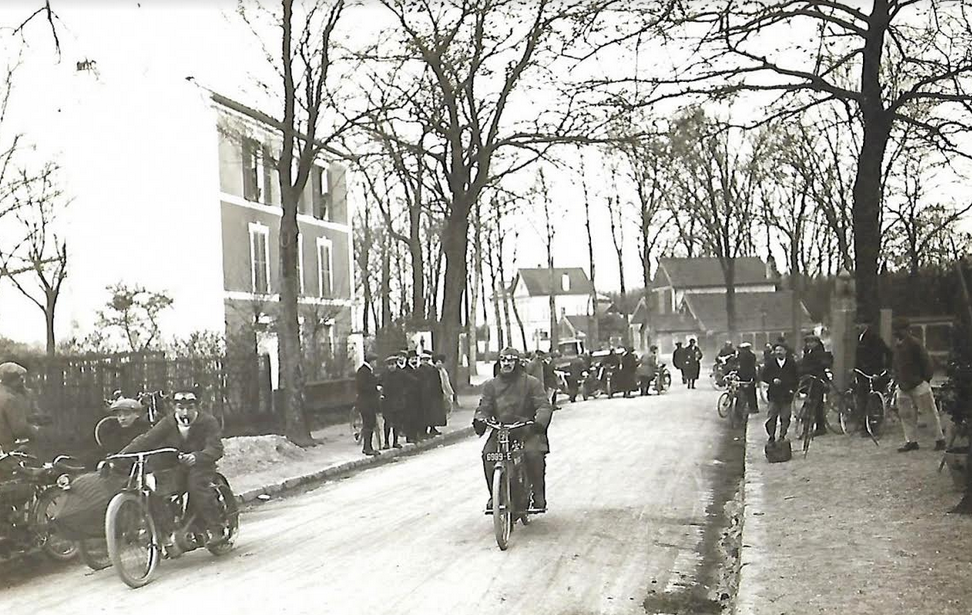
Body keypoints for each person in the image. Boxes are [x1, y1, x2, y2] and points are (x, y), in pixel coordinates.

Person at [120, 389, 226, 547]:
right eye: (180, 408)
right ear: (174, 408)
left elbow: (215, 447)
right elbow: (146, 440)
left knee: (196, 486)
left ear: (197, 407)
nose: (185, 412)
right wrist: (121, 456)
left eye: (189, 408)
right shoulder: (168, 422)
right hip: (177, 465)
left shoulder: (208, 422)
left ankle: (217, 530)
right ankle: (164, 530)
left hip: (202, 465)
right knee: (153, 485)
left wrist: (197, 456)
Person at [473, 347, 552, 512]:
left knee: (533, 454)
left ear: (517, 363)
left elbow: (543, 405)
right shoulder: (491, 385)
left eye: (510, 360)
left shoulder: (531, 383)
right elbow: (484, 407)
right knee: (488, 455)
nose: (506, 364)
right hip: (501, 431)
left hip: (526, 430)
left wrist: (539, 422)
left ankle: (538, 494)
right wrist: (480, 419)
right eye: (503, 360)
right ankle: (495, 496)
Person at [891, 317, 946, 453]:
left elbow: (926, 362)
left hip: (918, 384)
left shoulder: (915, 344)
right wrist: (897, 379)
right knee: (906, 414)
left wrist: (924, 379)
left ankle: (939, 439)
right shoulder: (898, 345)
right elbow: (896, 365)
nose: (896, 333)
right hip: (903, 385)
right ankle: (911, 441)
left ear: (905, 330)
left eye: (898, 330)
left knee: (929, 413)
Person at [854, 325, 893, 437]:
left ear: (865, 325)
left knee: (871, 400)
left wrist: (884, 369)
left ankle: (871, 426)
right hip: (862, 373)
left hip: (874, 373)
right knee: (863, 399)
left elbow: (886, 353)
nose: (857, 327)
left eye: (859, 324)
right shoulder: (860, 337)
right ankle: (865, 425)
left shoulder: (874, 338)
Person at [761, 342, 799, 443]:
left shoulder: (791, 363)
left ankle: (782, 435)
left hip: (787, 394)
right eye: (777, 350)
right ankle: (771, 436)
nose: (778, 352)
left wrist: (793, 389)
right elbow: (764, 376)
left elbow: (796, 378)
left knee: (785, 417)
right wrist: (772, 380)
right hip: (774, 394)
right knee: (771, 417)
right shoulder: (770, 363)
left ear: (785, 351)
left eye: (780, 350)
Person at [0, 362, 41, 453]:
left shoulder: (5, 394)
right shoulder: (10, 399)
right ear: (12, 380)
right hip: (10, 450)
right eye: (19, 378)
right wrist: (36, 430)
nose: (22, 380)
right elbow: (19, 429)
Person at [799, 334, 833, 436]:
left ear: (816, 343)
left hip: (818, 380)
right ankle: (807, 424)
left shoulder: (819, 353)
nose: (809, 344)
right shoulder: (807, 352)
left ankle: (820, 427)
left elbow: (819, 366)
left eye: (811, 342)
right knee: (810, 402)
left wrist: (806, 369)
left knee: (818, 404)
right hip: (810, 380)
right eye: (807, 342)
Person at [355, 353, 382, 456]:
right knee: (368, 424)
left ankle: (368, 447)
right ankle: (367, 448)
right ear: (371, 361)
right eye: (374, 361)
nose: (375, 363)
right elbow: (362, 387)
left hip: (369, 402)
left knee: (370, 424)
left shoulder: (368, 371)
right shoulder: (362, 371)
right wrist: (375, 388)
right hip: (365, 402)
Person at [379, 354, 405, 449]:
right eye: (390, 364)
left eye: (393, 364)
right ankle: (386, 442)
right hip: (387, 402)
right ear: (387, 365)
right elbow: (378, 383)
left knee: (397, 423)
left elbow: (409, 381)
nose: (392, 366)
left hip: (398, 402)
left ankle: (395, 442)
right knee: (387, 423)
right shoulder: (384, 374)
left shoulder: (401, 373)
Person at [419, 353, 446, 437]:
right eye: (424, 360)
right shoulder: (418, 370)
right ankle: (424, 430)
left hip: (433, 394)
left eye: (427, 360)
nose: (425, 362)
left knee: (433, 412)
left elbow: (438, 382)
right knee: (424, 413)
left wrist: (440, 392)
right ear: (421, 361)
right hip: (423, 394)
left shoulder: (433, 370)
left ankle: (432, 428)